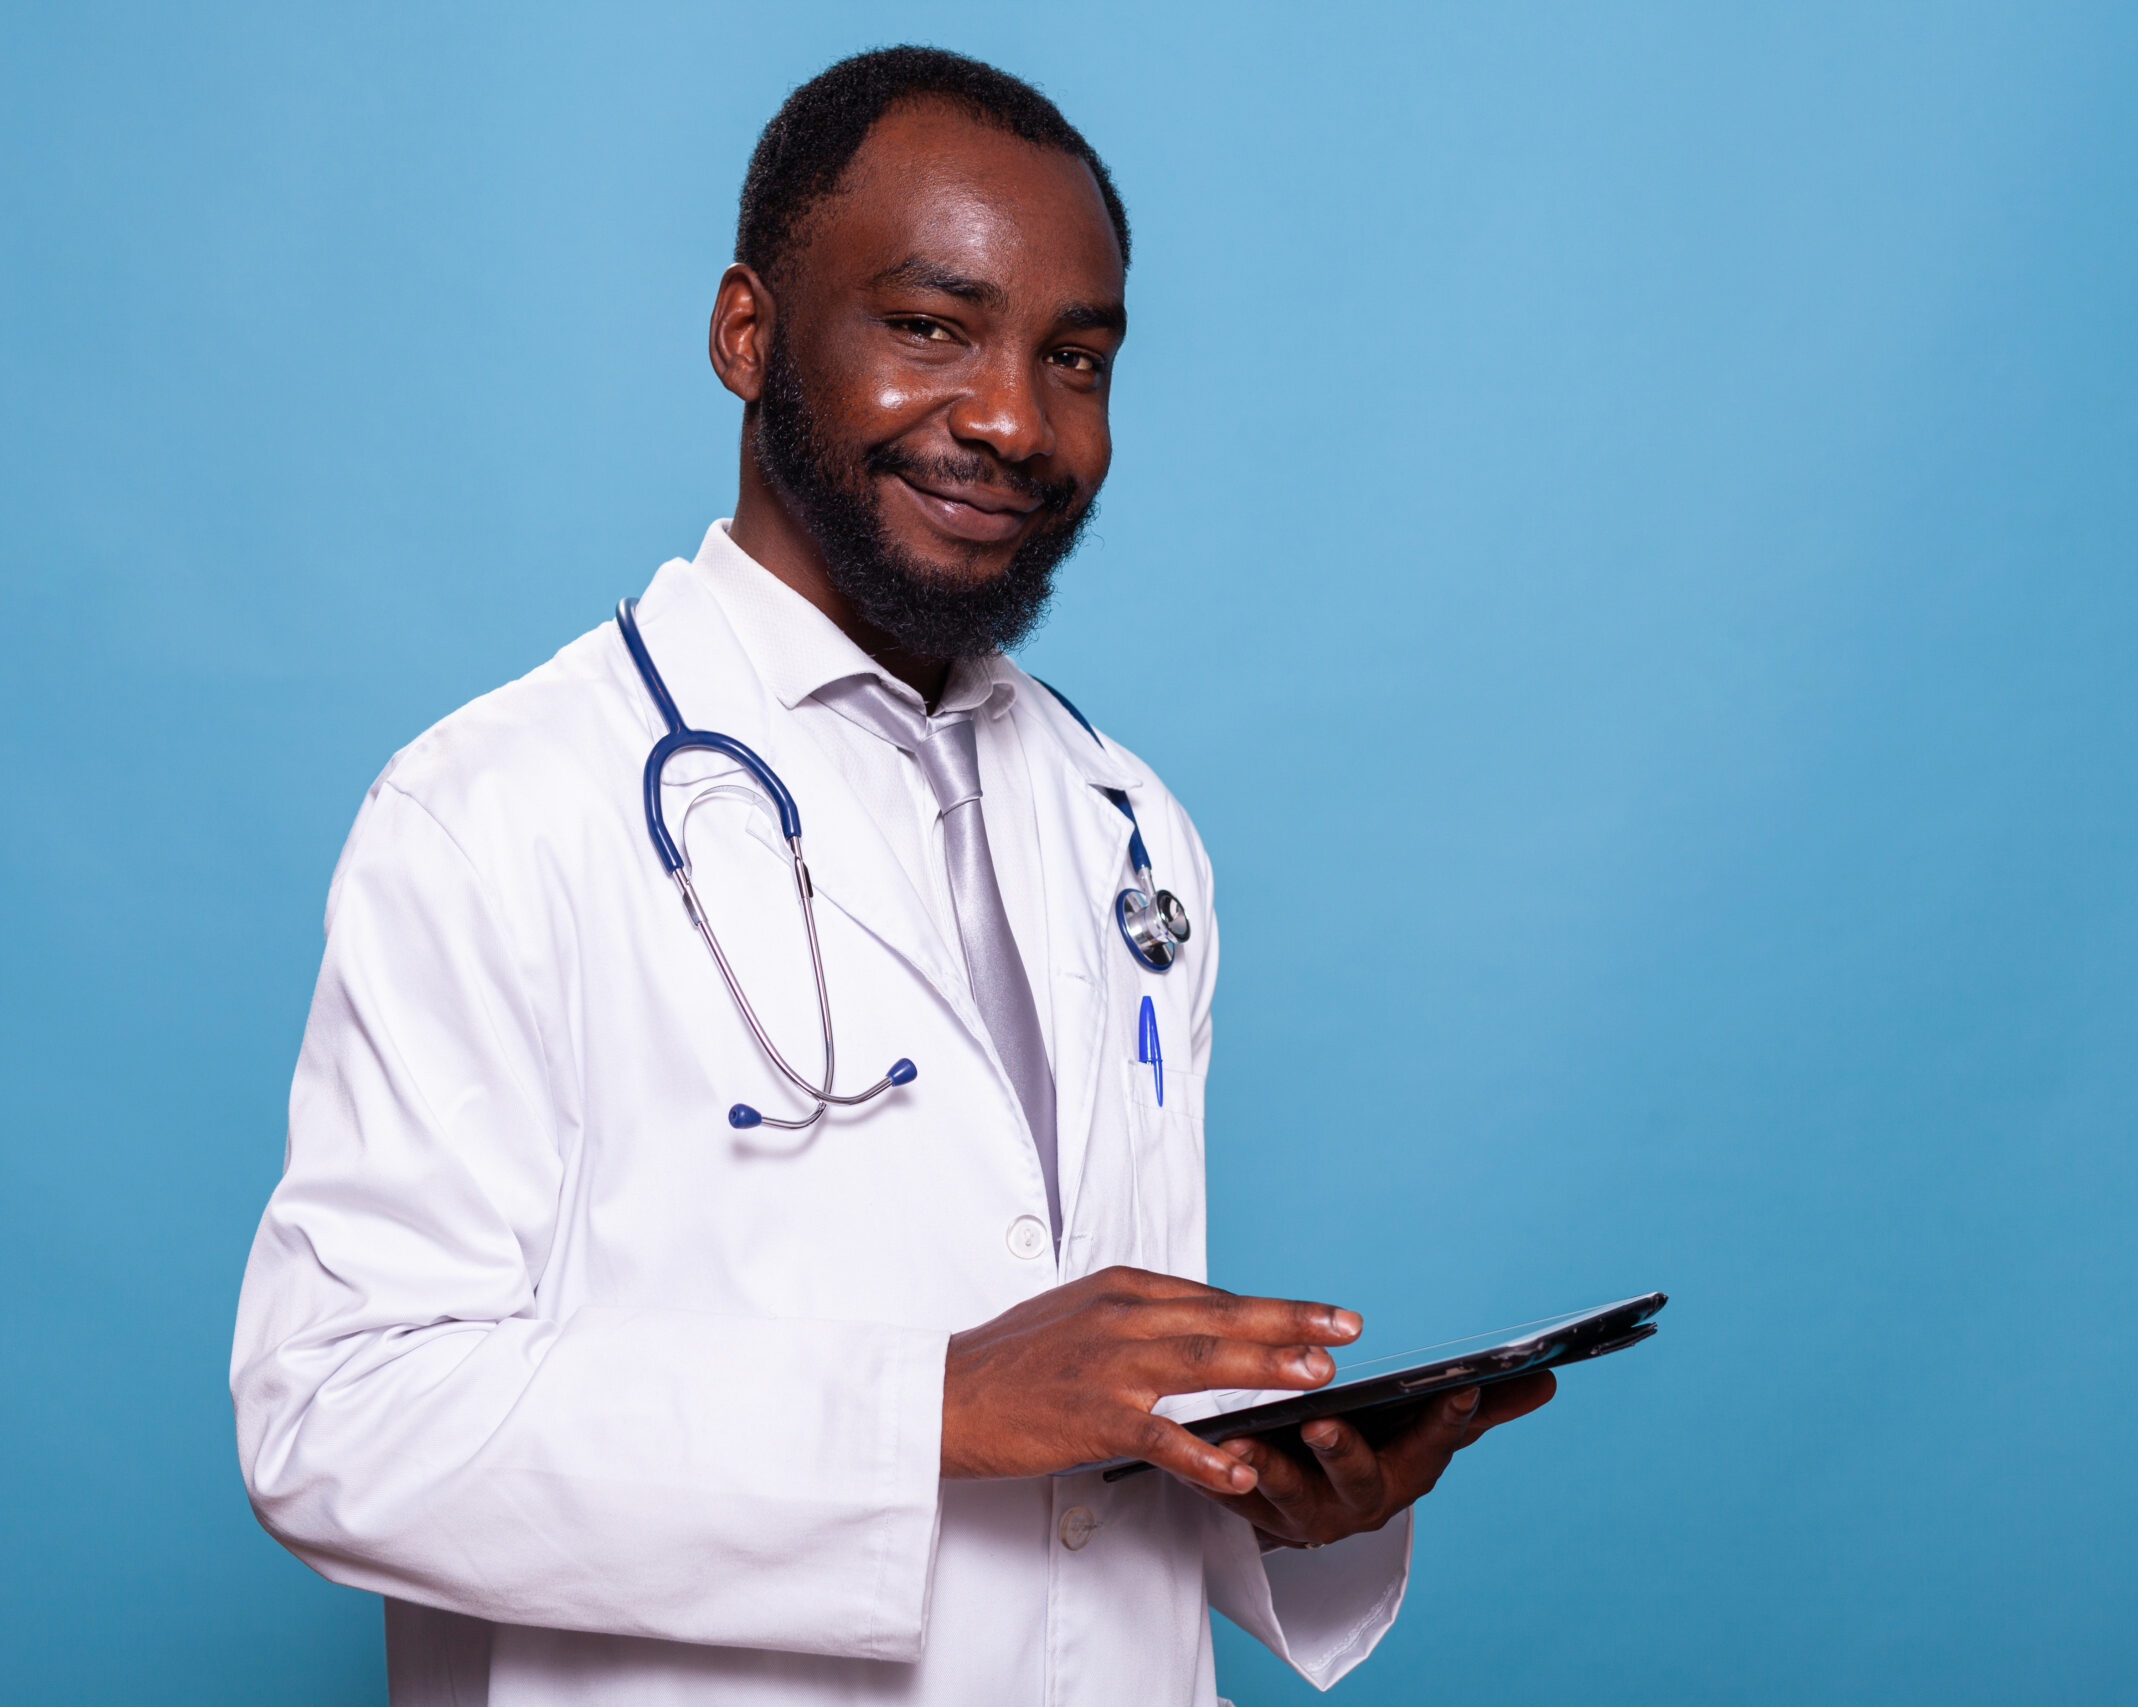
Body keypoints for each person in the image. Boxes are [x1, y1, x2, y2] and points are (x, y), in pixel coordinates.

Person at [231, 45, 1554, 1706]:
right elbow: (337, 1420)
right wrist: (923, 1408)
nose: (1014, 419)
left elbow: (1085, 1435)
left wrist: (1279, 1495)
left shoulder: (1125, 823)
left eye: (1076, 358)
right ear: (747, 335)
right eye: (932, 327)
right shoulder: (496, 808)